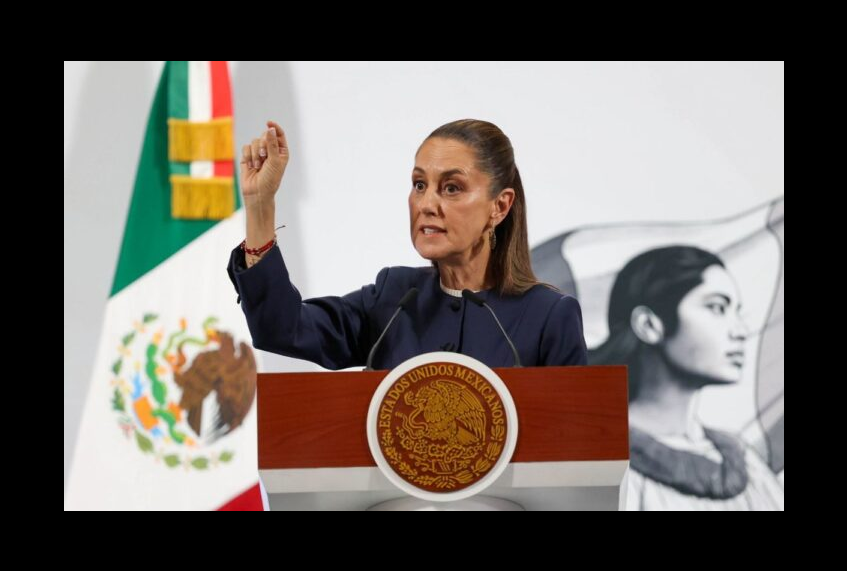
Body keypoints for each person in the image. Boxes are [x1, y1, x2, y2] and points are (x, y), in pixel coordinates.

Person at [227, 119, 587, 370]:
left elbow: (576, 442)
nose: (427, 204)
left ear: (500, 206)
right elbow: (282, 329)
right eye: (419, 185)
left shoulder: (549, 316)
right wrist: (260, 205)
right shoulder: (394, 298)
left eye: (451, 188)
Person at [590, 246, 784, 510]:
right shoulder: (598, 462)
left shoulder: (746, 464)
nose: (740, 331)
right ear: (649, 325)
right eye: (717, 307)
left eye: (737, 312)